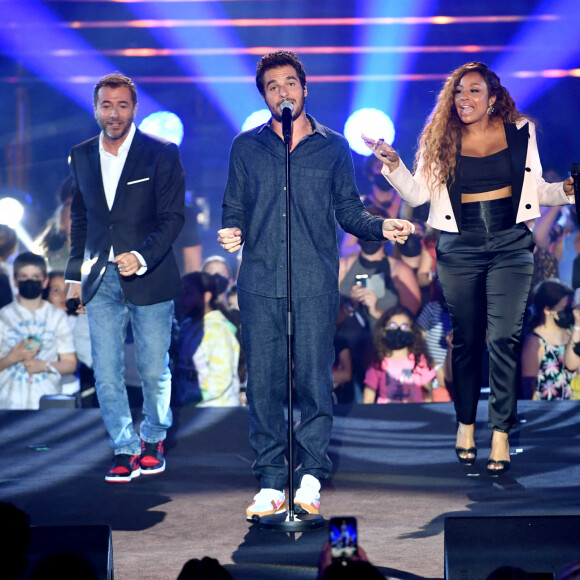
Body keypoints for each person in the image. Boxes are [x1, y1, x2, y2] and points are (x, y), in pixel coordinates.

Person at [218, 50, 414, 520]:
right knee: (263, 383)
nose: (282, 92)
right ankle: (269, 480)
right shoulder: (246, 147)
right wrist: (231, 231)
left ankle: (310, 477)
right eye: (272, 86)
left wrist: (379, 226)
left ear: (305, 89)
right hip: (260, 279)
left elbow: (347, 210)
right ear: (264, 95)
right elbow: (233, 208)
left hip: (314, 279)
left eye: (290, 83)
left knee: (313, 380)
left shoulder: (331, 148)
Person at [363, 61, 575, 475]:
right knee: (466, 340)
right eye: (459, 92)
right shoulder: (441, 135)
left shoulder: (520, 132)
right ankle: (464, 422)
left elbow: (534, 193)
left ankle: (499, 433)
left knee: (504, 339)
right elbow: (419, 192)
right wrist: (392, 163)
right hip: (459, 245)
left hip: (511, 243)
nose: (464, 99)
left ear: (493, 97)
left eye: (474, 91)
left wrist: (564, 192)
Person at [65, 72, 185, 482]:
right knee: (106, 372)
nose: (114, 113)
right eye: (106, 105)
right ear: (96, 108)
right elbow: (80, 219)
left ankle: (152, 437)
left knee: (153, 369)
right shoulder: (80, 154)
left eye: (122, 105)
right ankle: (122, 445)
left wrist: (140, 255)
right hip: (100, 278)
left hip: (149, 275)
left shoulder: (161, 153)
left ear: (134, 108)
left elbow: (172, 219)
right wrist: (72, 275)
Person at [0, 252, 77, 409]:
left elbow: (70, 364)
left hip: (47, 404)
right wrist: (12, 358)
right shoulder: (3, 317)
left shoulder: (58, 317)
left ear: (44, 281)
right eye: (24, 277)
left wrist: (44, 365)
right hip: (8, 404)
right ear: (15, 281)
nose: (30, 281)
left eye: (36, 277)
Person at [363, 306, 436, 404]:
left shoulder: (419, 360)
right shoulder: (378, 362)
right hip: (386, 417)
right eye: (392, 325)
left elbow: (427, 394)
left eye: (404, 326)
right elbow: (368, 398)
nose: (398, 330)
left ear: (412, 331)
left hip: (414, 416)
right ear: (383, 331)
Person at [521, 279, 575, 400]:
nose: (569, 312)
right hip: (546, 410)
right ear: (547, 310)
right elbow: (528, 385)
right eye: (564, 308)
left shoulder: (572, 332)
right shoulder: (535, 342)